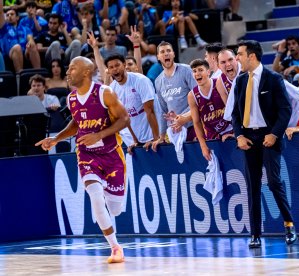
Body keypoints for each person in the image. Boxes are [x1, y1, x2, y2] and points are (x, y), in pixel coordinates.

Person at [35, 57, 129, 263]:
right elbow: (77, 124)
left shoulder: (104, 93)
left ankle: (109, 195)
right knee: (95, 196)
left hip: (111, 153)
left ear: (86, 72)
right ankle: (115, 247)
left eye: (72, 68)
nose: (68, 72)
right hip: (86, 153)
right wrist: (56, 138)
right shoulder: (71, 98)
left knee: (116, 209)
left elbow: (125, 119)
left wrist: (99, 135)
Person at [232, 40, 297, 248]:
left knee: (274, 182)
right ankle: (255, 234)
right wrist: (239, 136)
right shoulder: (241, 81)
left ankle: (289, 225)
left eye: (240, 54)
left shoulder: (273, 78)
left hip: (269, 138)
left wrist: (275, 134)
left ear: (251, 56)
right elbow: (235, 114)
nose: (237, 59)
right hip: (249, 138)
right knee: (252, 186)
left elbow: (285, 110)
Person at [105, 54, 160, 151]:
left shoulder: (141, 80)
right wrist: (135, 140)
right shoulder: (112, 89)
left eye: (117, 65)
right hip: (138, 136)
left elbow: (150, 111)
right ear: (108, 71)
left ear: (124, 65)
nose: (115, 69)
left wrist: (156, 138)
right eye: (111, 67)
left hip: (156, 132)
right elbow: (124, 117)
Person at [152, 41, 198, 151]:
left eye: (168, 51)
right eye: (162, 52)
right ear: (158, 57)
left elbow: (198, 97)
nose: (166, 54)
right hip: (174, 131)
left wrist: (182, 118)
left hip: (193, 125)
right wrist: (162, 136)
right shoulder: (158, 81)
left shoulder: (186, 70)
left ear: (173, 54)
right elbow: (163, 111)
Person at [188, 59, 233, 161]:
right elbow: (196, 122)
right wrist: (203, 146)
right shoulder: (192, 95)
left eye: (200, 70)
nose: (197, 73)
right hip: (213, 137)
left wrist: (236, 134)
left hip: (231, 131)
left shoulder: (219, 84)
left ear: (208, 72)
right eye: (194, 71)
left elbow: (233, 109)